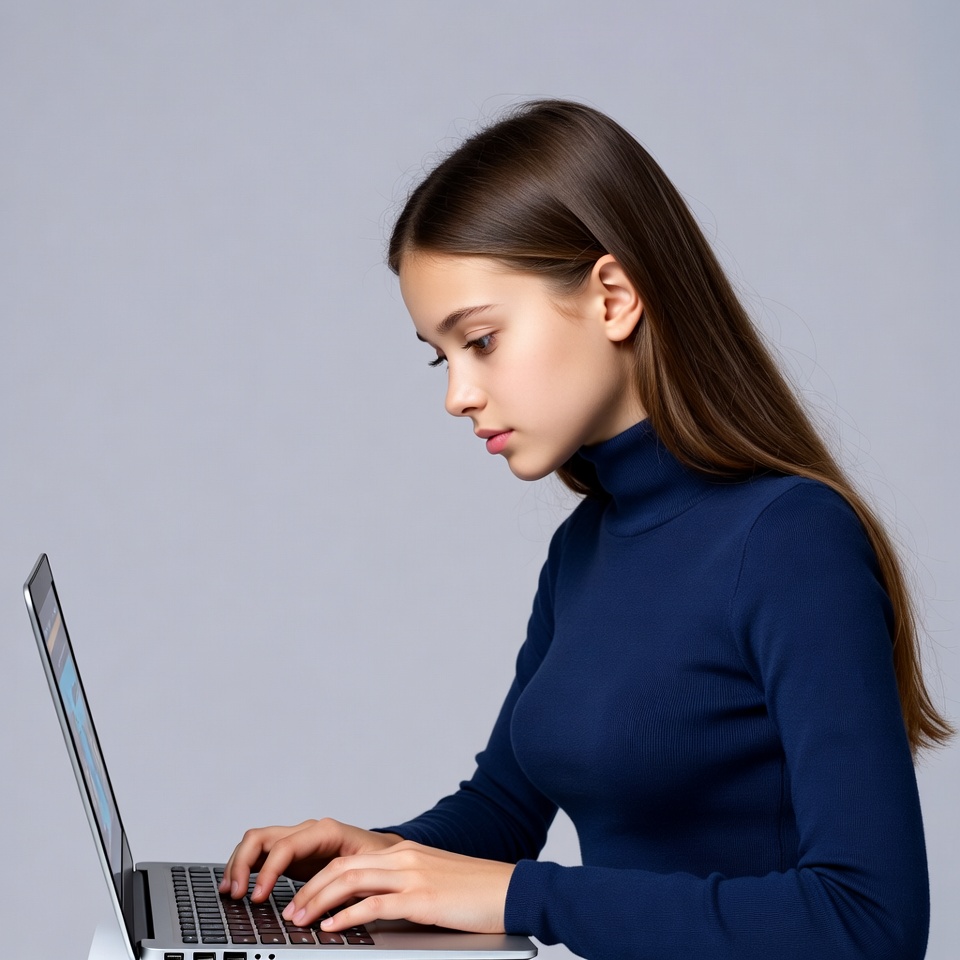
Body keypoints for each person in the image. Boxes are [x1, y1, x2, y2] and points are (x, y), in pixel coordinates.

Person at [220, 100, 953, 960]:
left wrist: (523, 896)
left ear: (613, 297)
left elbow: (870, 922)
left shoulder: (792, 541)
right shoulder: (584, 548)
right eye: (439, 355)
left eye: (481, 341)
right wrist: (375, 858)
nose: (457, 395)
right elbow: (503, 809)